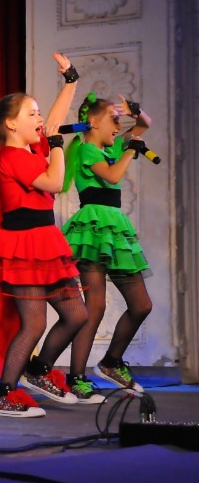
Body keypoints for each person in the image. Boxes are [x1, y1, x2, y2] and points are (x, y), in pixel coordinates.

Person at [0, 52, 88, 417]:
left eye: (38, 113)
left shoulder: (30, 149)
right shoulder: (11, 157)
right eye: (32, 114)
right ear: (11, 123)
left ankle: (39, 370)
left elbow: (54, 123)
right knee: (35, 324)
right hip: (23, 244)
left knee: (77, 315)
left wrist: (70, 81)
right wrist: (56, 146)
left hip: (46, 241)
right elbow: (55, 182)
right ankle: (4, 394)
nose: (40, 120)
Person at [60, 93, 152, 401]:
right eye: (113, 120)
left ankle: (112, 361)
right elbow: (112, 177)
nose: (118, 127)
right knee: (95, 306)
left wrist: (134, 111)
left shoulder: (111, 148)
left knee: (141, 305)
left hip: (116, 229)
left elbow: (144, 124)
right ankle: (76, 377)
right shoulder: (87, 149)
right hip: (93, 228)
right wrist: (131, 149)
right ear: (93, 122)